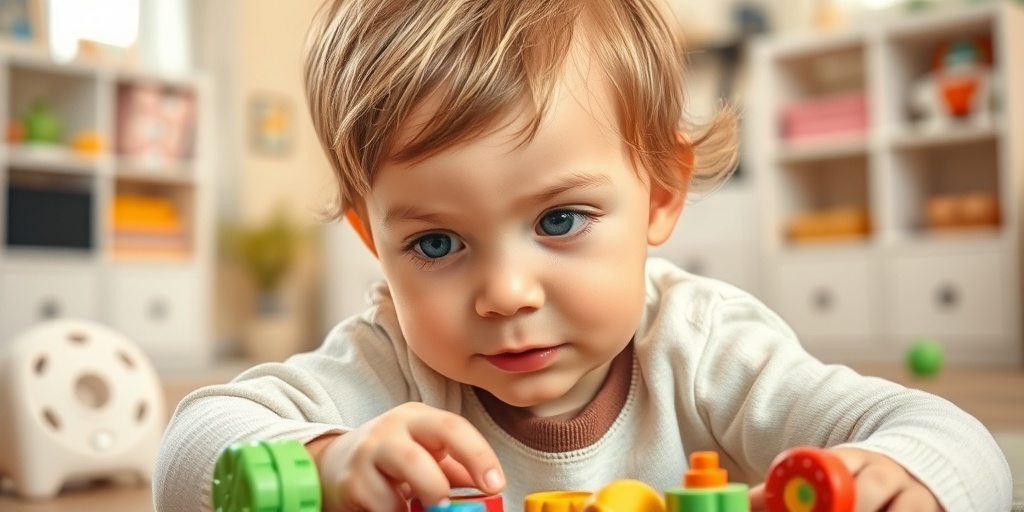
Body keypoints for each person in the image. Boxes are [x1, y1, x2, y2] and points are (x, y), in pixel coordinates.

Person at [154, 1, 1012, 511]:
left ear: (662, 195)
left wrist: (905, 479)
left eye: (560, 220)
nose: (505, 292)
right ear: (375, 241)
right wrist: (325, 461)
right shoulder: (385, 367)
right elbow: (191, 448)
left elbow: (954, 439)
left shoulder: (706, 346)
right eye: (438, 243)